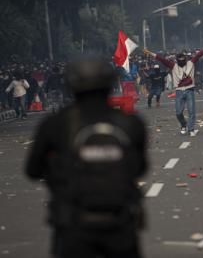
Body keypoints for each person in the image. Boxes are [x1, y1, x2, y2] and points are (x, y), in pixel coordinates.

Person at [25, 57, 147, 258]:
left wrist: (60, 169)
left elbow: (32, 170)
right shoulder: (130, 123)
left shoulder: (56, 123)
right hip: (120, 224)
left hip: (73, 225)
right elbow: (140, 168)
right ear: (110, 84)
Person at [144, 46, 203, 137]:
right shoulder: (173, 66)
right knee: (178, 112)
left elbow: (199, 55)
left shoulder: (191, 63)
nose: (182, 61)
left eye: (183, 59)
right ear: (177, 60)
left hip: (189, 90)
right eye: (180, 60)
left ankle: (191, 129)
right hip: (179, 91)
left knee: (192, 111)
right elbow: (162, 59)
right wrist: (150, 53)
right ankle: (183, 125)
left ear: (185, 59)